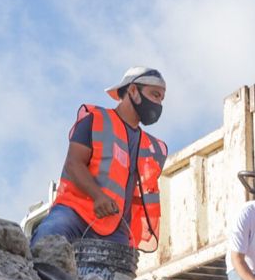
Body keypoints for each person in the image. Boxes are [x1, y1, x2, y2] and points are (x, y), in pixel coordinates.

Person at [31, 67, 168, 253]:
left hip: (116, 229)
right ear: (133, 91)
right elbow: (73, 163)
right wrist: (98, 196)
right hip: (75, 213)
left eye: (161, 98)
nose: (158, 103)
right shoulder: (96, 120)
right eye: (155, 95)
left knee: (116, 277)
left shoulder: (149, 147)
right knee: (49, 237)